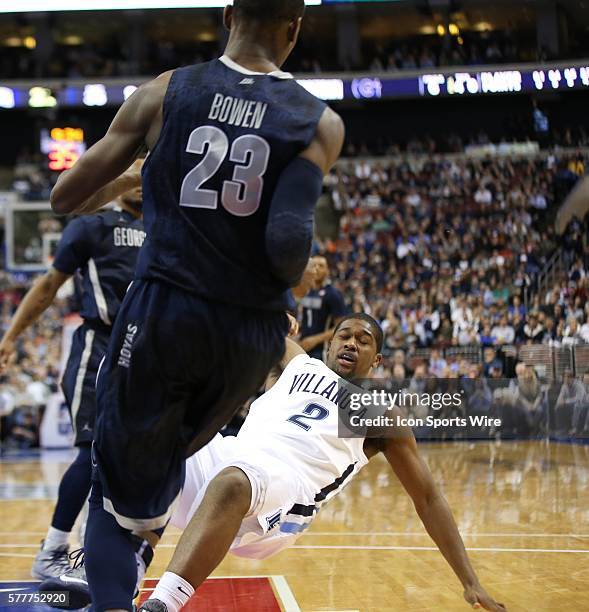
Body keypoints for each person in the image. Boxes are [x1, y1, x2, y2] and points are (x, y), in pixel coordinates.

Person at [42, 1, 344, 610]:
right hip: (248, 335)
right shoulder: (318, 121)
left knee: (118, 493)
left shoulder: (165, 92)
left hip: (163, 312)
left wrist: (141, 175)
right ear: (296, 28)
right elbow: (288, 246)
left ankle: (117, 579)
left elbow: (65, 195)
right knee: (178, 452)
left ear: (228, 16)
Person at [140, 314, 506, 612]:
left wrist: (470, 580)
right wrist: (275, 317)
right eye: (344, 336)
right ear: (329, 345)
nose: (351, 343)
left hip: (287, 494)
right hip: (234, 457)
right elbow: (254, 321)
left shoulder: (376, 413)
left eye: (363, 341)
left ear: (376, 361)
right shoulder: (299, 365)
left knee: (236, 481)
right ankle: (114, 579)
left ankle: (161, 606)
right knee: (148, 434)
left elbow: (428, 498)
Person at [0, 188, 144, 580]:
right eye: (135, 164)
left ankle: (97, 549)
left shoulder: (165, 229)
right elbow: (48, 286)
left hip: (146, 355)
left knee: (130, 460)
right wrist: (11, 336)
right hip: (98, 347)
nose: (142, 176)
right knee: (91, 451)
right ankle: (53, 550)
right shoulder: (90, 226)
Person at [299, 255, 347, 359]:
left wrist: (315, 340)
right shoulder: (306, 291)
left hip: (322, 350)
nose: (316, 268)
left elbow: (341, 327)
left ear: (327, 271)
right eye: (314, 265)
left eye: (321, 266)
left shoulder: (333, 294)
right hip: (303, 346)